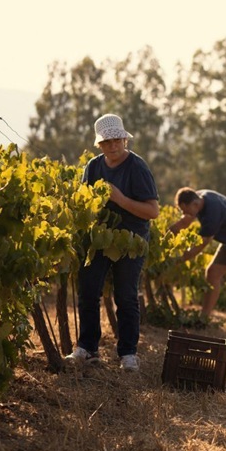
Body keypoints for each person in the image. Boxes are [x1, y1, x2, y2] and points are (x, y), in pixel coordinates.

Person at [66, 114, 160, 372]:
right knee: (88, 291)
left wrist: (119, 199)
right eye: (107, 142)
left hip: (131, 240)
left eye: (117, 140)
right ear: (100, 145)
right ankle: (87, 348)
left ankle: (128, 354)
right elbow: (85, 204)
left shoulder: (137, 168)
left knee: (126, 296)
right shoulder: (93, 167)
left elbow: (153, 211)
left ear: (124, 140)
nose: (113, 146)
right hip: (99, 238)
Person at [169, 187, 226, 345]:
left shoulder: (212, 213)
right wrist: (169, 232)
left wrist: (178, 260)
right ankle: (203, 319)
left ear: (194, 204)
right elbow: (185, 221)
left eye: (187, 211)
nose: (187, 214)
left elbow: (200, 245)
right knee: (212, 273)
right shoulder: (200, 198)